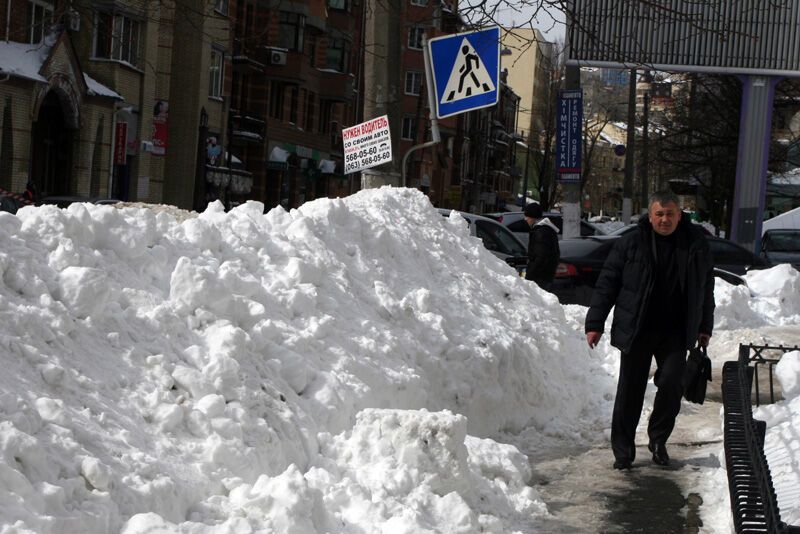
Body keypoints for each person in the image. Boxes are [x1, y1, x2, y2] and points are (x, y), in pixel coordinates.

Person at [585, 191, 714, 470]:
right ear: (650, 215)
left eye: (670, 214)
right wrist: (594, 323)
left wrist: (705, 325)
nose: (665, 220)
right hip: (638, 328)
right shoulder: (631, 243)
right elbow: (608, 283)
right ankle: (623, 452)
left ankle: (658, 440)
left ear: (680, 216)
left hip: (676, 332)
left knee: (671, 384)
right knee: (629, 391)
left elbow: (706, 287)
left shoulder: (695, 244)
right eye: (659, 214)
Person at [523, 202, 560, 289]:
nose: (525, 219)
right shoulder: (544, 230)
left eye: (527, 216)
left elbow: (541, 257)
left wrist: (529, 276)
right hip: (544, 276)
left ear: (532, 217)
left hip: (540, 278)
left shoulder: (541, 232)